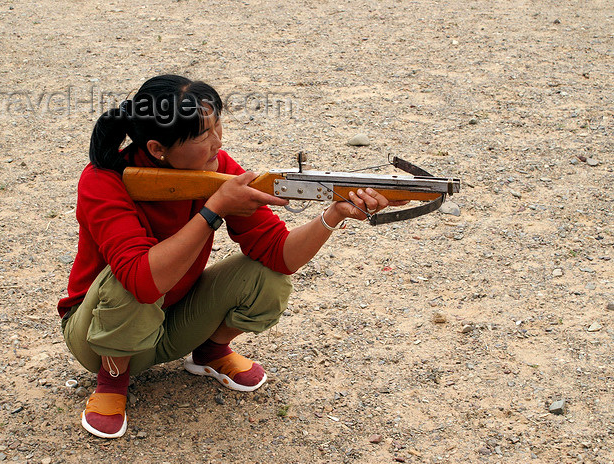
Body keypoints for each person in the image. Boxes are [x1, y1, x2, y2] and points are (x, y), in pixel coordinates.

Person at [57, 74, 404, 439]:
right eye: (201, 135)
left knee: (266, 277)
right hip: (97, 335)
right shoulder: (102, 181)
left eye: (217, 125)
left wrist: (332, 214)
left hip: (167, 326)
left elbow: (279, 255)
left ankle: (210, 351)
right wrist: (214, 210)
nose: (217, 143)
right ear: (159, 149)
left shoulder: (217, 165)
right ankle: (112, 381)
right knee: (129, 278)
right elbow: (144, 283)